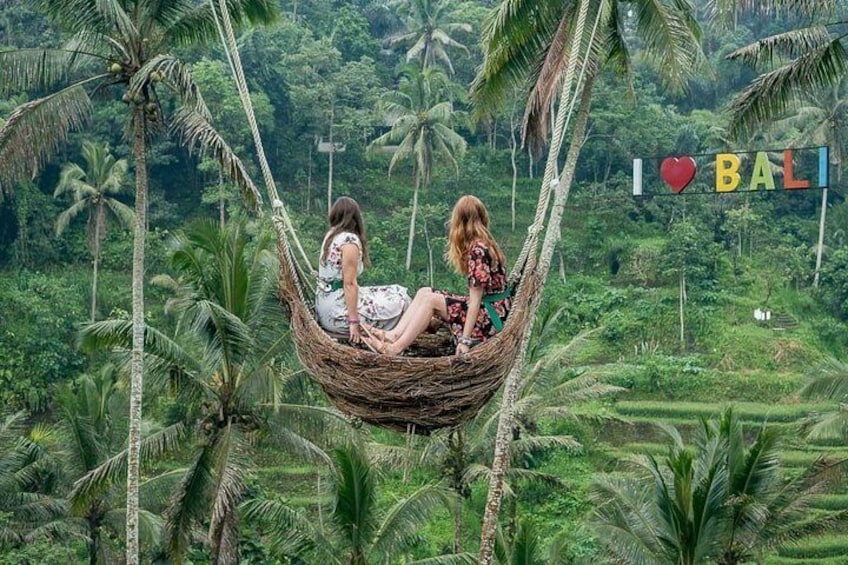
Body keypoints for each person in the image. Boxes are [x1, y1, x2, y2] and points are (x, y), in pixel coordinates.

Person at [363, 195, 511, 356]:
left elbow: (475, 302)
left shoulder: (478, 250)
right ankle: (393, 335)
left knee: (430, 300)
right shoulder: (485, 243)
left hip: (489, 318)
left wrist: (465, 340)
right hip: (492, 309)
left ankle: (395, 348)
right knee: (424, 292)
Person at [315, 197, 411, 345]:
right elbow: (350, 284)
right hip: (338, 314)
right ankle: (411, 332)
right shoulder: (349, 241)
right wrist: (354, 322)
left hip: (324, 306)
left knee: (392, 291)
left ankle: (428, 321)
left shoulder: (331, 235)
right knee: (401, 300)